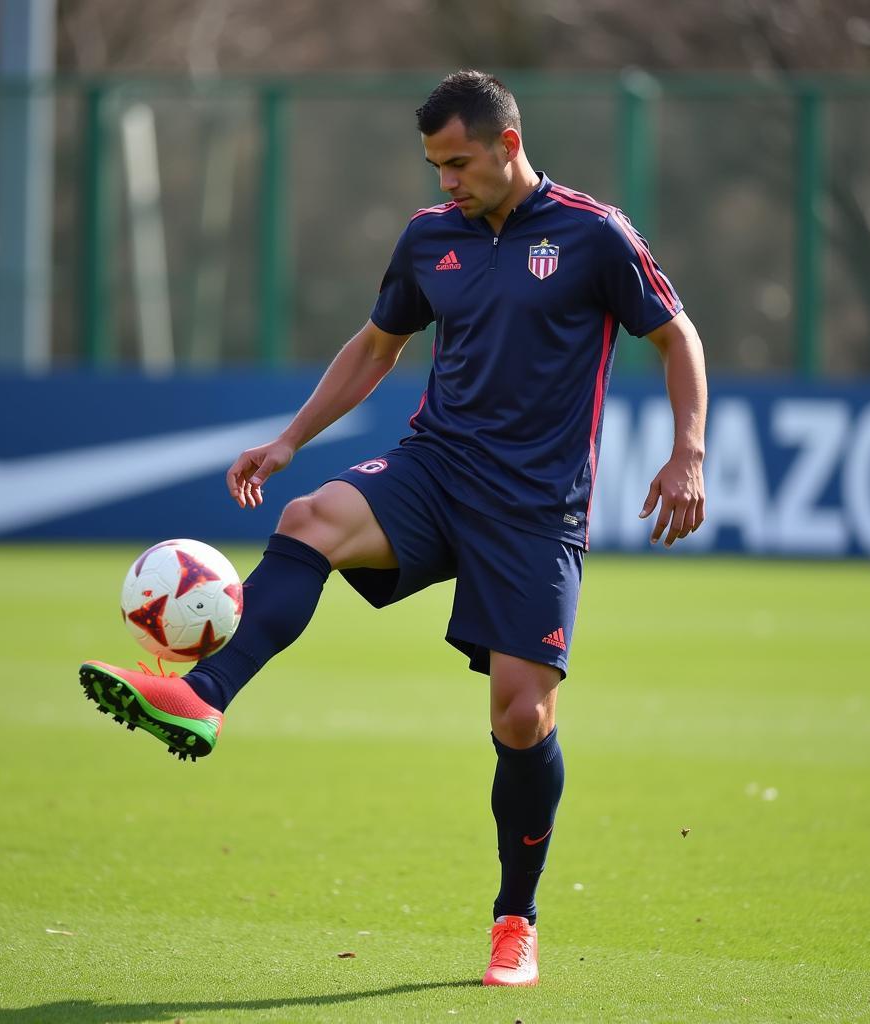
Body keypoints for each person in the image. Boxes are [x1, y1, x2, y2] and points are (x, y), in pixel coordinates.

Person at [79, 69, 707, 988]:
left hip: (536, 509)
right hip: (436, 469)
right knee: (310, 518)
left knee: (523, 718)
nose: (446, 181)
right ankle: (203, 695)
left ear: (508, 143)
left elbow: (677, 335)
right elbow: (378, 345)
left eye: (458, 163)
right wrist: (291, 439)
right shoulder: (429, 239)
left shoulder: (593, 233)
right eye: (434, 166)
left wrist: (688, 451)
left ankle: (515, 919)